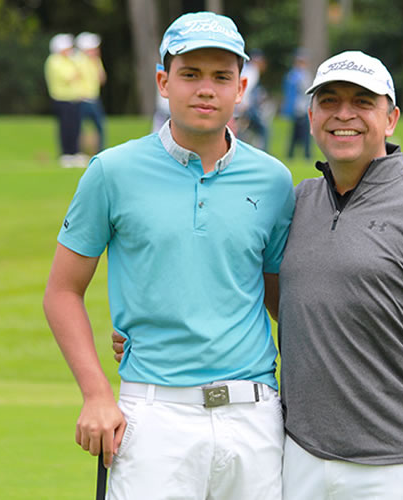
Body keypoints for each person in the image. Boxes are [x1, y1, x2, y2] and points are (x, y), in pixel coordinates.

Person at [113, 51, 403, 500]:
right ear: (311, 117)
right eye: (329, 102)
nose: (344, 115)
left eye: (363, 102)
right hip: (300, 457)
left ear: (390, 119)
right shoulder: (296, 202)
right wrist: (155, 327)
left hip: (399, 461)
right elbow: (253, 289)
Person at [43, 11, 294, 500]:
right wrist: (96, 394)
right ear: (164, 81)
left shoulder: (274, 181)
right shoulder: (111, 172)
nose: (206, 89)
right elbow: (62, 292)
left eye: (222, 77)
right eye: (190, 74)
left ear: (240, 87)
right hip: (153, 413)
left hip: (255, 414)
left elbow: (284, 301)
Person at [44, 33, 86, 167]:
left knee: (76, 127)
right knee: (66, 127)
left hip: (74, 99)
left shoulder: (68, 60)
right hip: (62, 100)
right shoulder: (54, 61)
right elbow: (70, 77)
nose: (70, 50)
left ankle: (75, 152)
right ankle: (66, 154)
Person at [75, 31, 107, 153]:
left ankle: (100, 150)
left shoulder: (96, 61)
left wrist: (96, 63)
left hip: (94, 98)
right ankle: (79, 152)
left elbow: (102, 79)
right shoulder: (77, 60)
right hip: (81, 99)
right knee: (78, 128)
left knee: (100, 126)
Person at [235, 48, 271, 151]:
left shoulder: (246, 68)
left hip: (240, 105)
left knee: (244, 130)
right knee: (263, 129)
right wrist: (242, 105)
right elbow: (246, 88)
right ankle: (264, 151)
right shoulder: (253, 71)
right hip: (245, 106)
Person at [281, 49, 312, 159]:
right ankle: (305, 154)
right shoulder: (298, 75)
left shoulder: (292, 75)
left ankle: (292, 154)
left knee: (297, 133)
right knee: (303, 133)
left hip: (298, 107)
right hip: (300, 107)